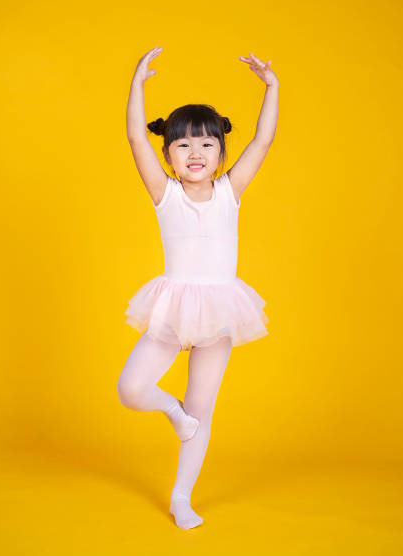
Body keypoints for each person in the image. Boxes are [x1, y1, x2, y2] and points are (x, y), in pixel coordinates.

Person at [117, 46, 279, 529]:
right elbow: (133, 137)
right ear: (167, 153)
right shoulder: (164, 193)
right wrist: (137, 84)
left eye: (207, 145)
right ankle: (171, 412)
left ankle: (182, 497)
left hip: (221, 308)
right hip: (172, 307)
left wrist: (271, 87)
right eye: (183, 145)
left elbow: (263, 142)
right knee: (131, 389)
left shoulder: (230, 190)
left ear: (220, 154)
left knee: (202, 406)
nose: (195, 154)